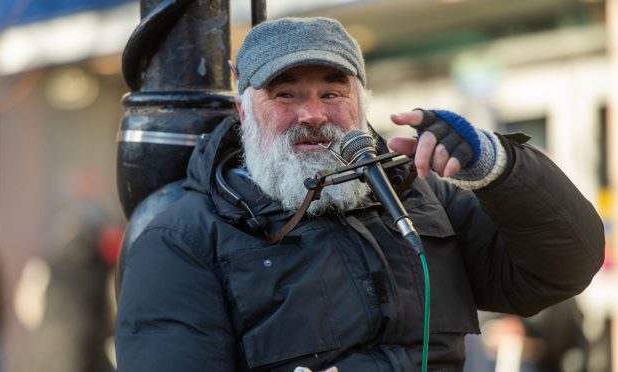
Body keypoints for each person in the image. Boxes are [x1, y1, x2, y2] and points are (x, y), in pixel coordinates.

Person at [114, 17, 605, 371]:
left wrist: (498, 168)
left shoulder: (421, 195)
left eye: (332, 93)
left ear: (360, 103)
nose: (313, 114)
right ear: (245, 112)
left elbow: (561, 269)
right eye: (285, 95)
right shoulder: (183, 236)